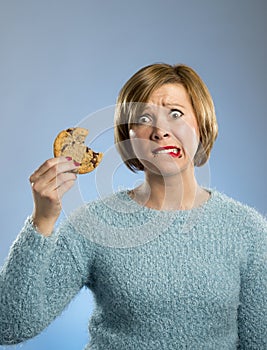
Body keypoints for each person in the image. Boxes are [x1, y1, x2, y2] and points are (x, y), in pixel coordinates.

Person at [0, 63, 266, 349]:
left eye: (175, 113)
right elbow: (10, 325)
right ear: (129, 137)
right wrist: (42, 219)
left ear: (201, 123)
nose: (160, 130)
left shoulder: (247, 230)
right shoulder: (94, 224)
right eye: (144, 117)